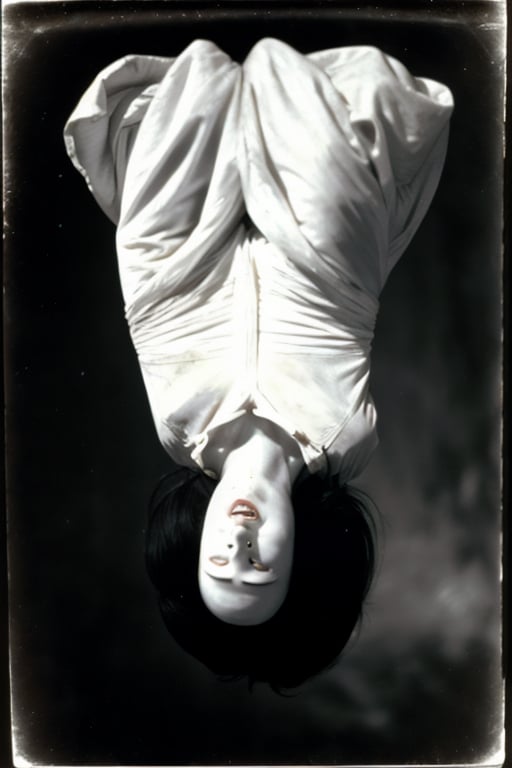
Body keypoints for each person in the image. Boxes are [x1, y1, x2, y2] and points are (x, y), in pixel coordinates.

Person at [64, 38, 453, 687]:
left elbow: (160, 300)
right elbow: (334, 298)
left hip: (178, 268)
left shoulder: (179, 426)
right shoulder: (342, 435)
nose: (239, 545)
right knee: (316, 136)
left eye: (220, 564)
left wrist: (188, 232)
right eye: (260, 567)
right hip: (322, 265)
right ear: (299, 554)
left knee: (202, 86)